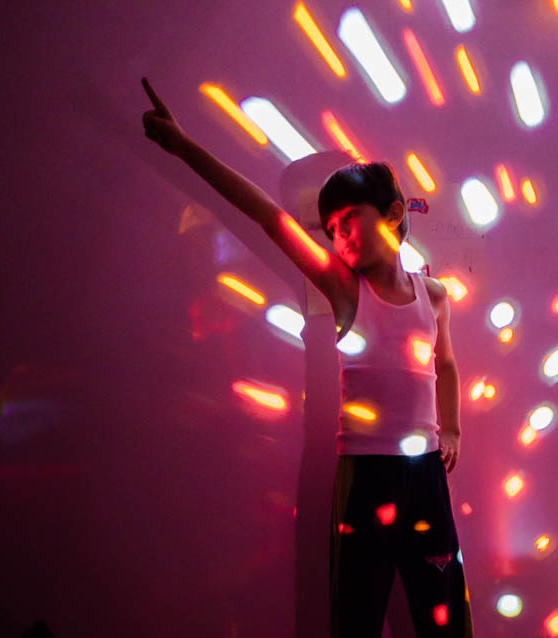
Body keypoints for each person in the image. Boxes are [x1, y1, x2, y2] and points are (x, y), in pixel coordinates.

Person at [141, 77, 473, 637]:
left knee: (442, 608)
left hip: (424, 474)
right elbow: (270, 218)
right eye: (331, 228)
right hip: (365, 473)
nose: (339, 237)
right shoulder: (344, 289)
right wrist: (185, 146)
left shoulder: (433, 294)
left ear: (393, 214)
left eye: (349, 221)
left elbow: (445, 363)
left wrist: (453, 428)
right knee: (357, 613)